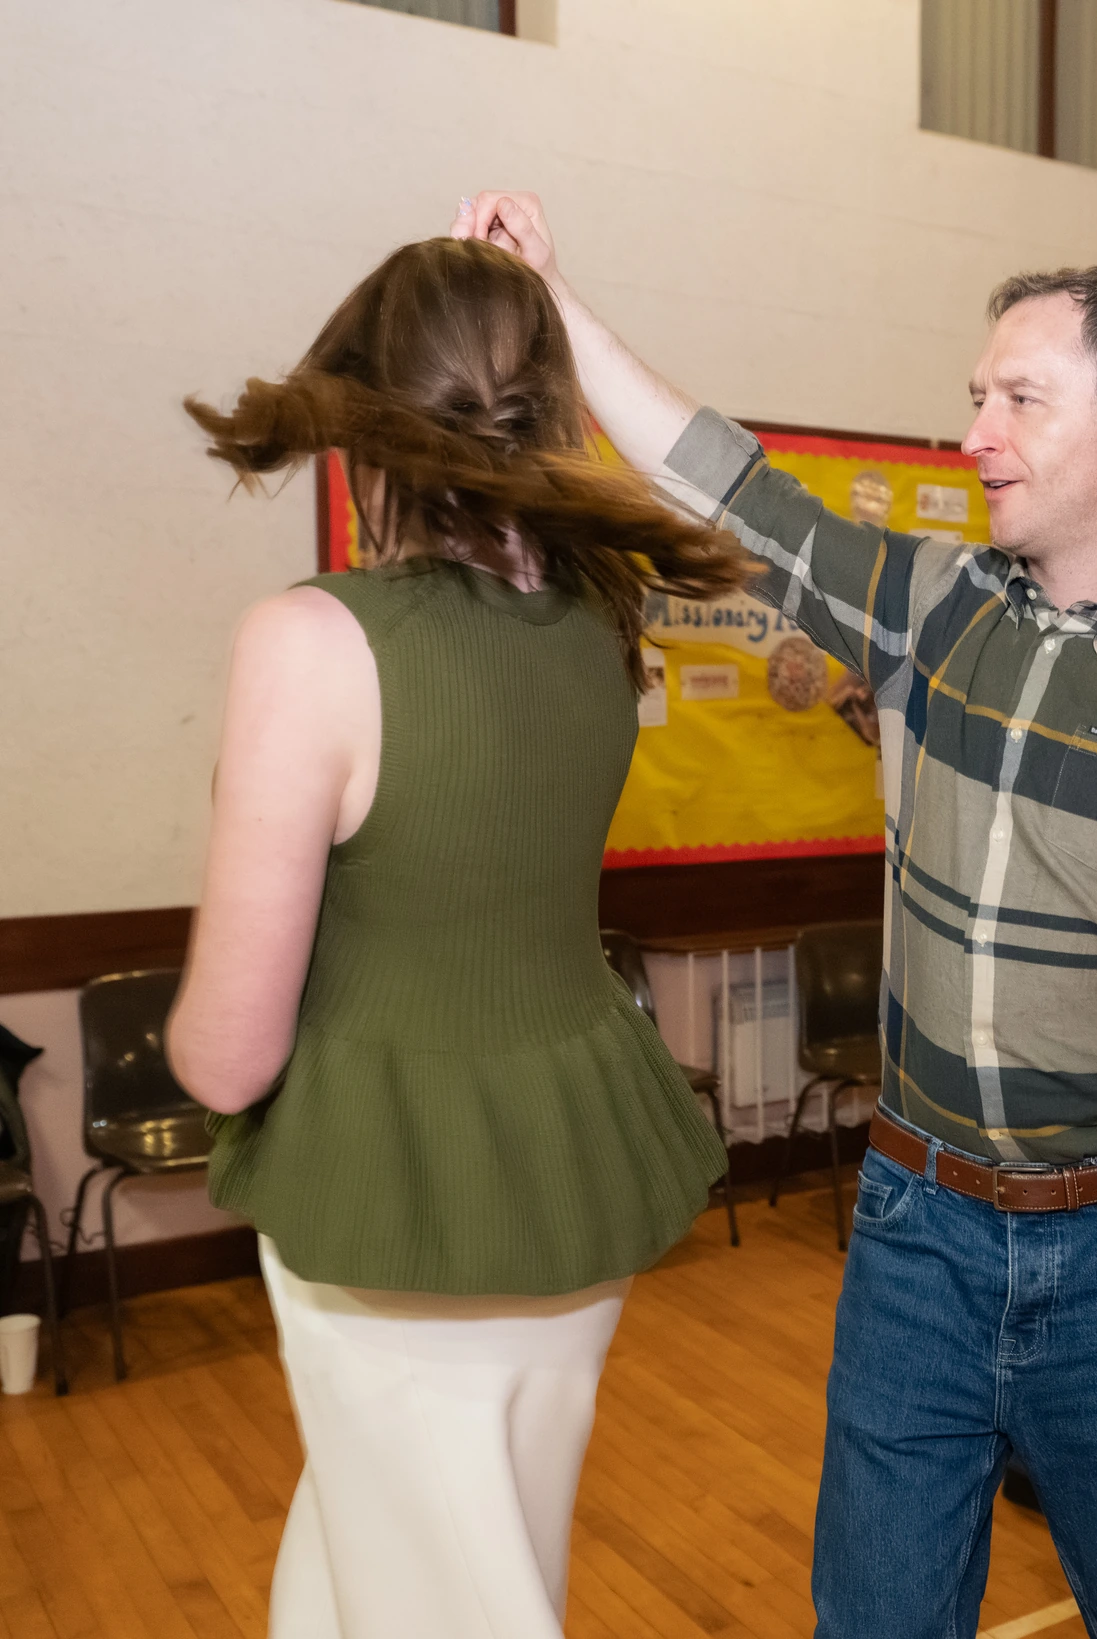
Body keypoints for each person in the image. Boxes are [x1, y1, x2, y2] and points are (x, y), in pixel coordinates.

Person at [453, 192, 1097, 1638]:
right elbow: (723, 484)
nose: (976, 432)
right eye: (975, 396)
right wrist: (549, 295)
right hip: (914, 1233)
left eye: (1021, 397)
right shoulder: (930, 607)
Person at [167, 237, 750, 1636]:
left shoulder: (311, 640)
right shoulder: (602, 626)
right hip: (568, 1169)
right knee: (443, 1548)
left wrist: (198, 1031)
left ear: (364, 416)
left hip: (391, 1194)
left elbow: (228, 1059)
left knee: (448, 1588)